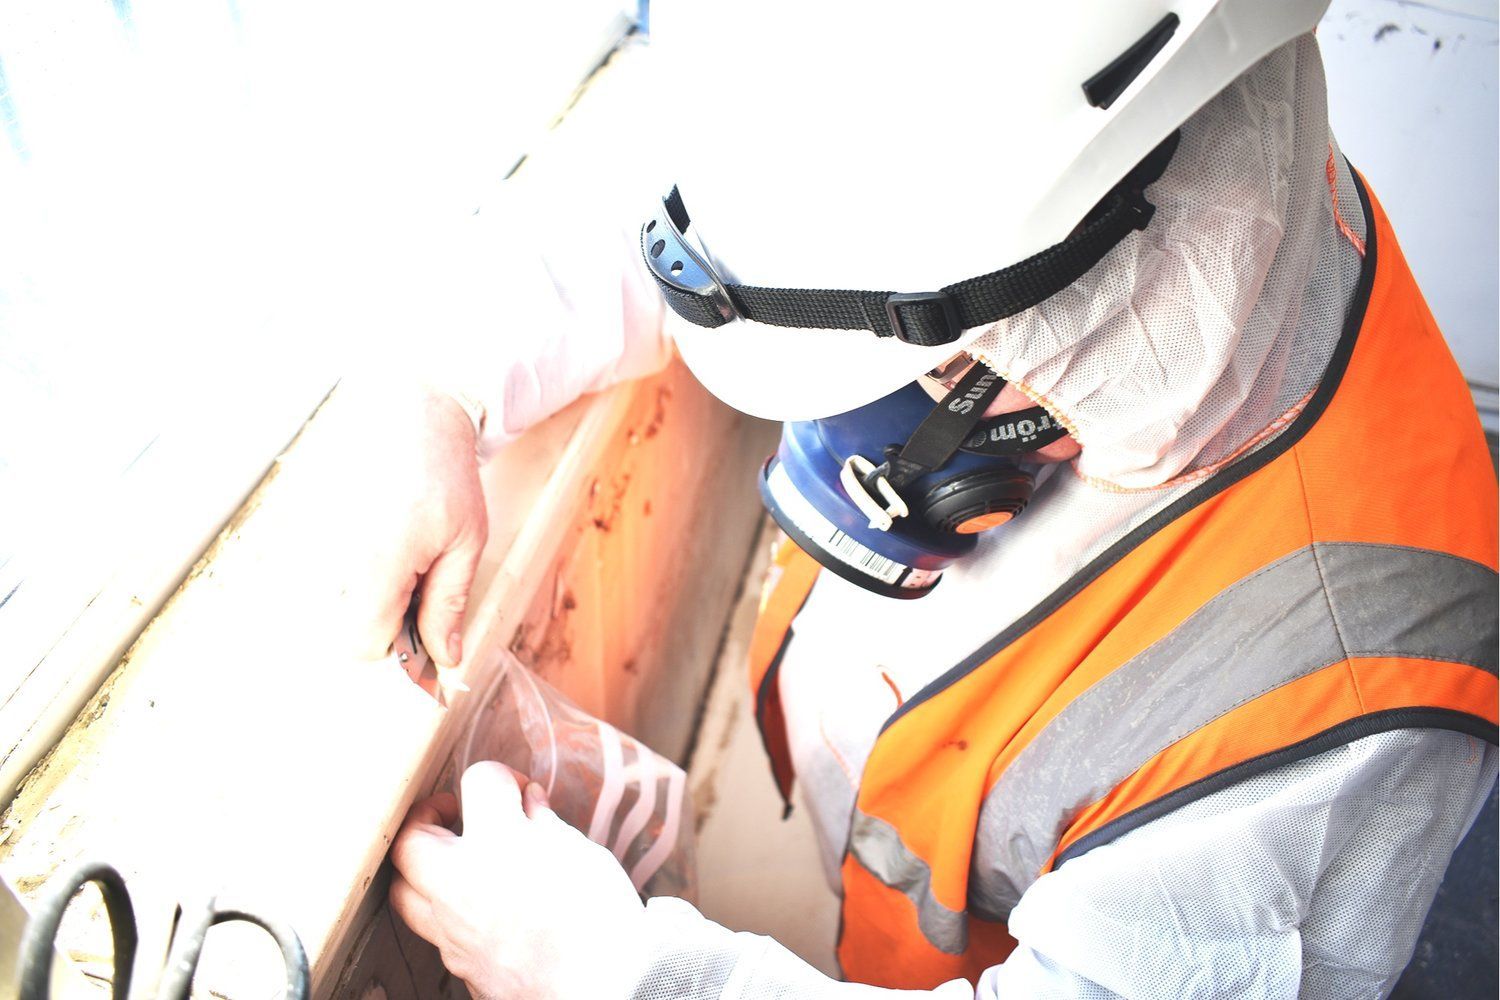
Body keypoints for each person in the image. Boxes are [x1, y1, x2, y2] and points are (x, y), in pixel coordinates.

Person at [343, 2, 1498, 997]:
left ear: (1068, 320)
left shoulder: (1354, 706)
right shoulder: (1070, 157)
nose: (858, 413)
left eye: (913, 372)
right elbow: (743, 220)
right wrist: (445, 376)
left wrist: (619, 979)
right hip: (835, 860)